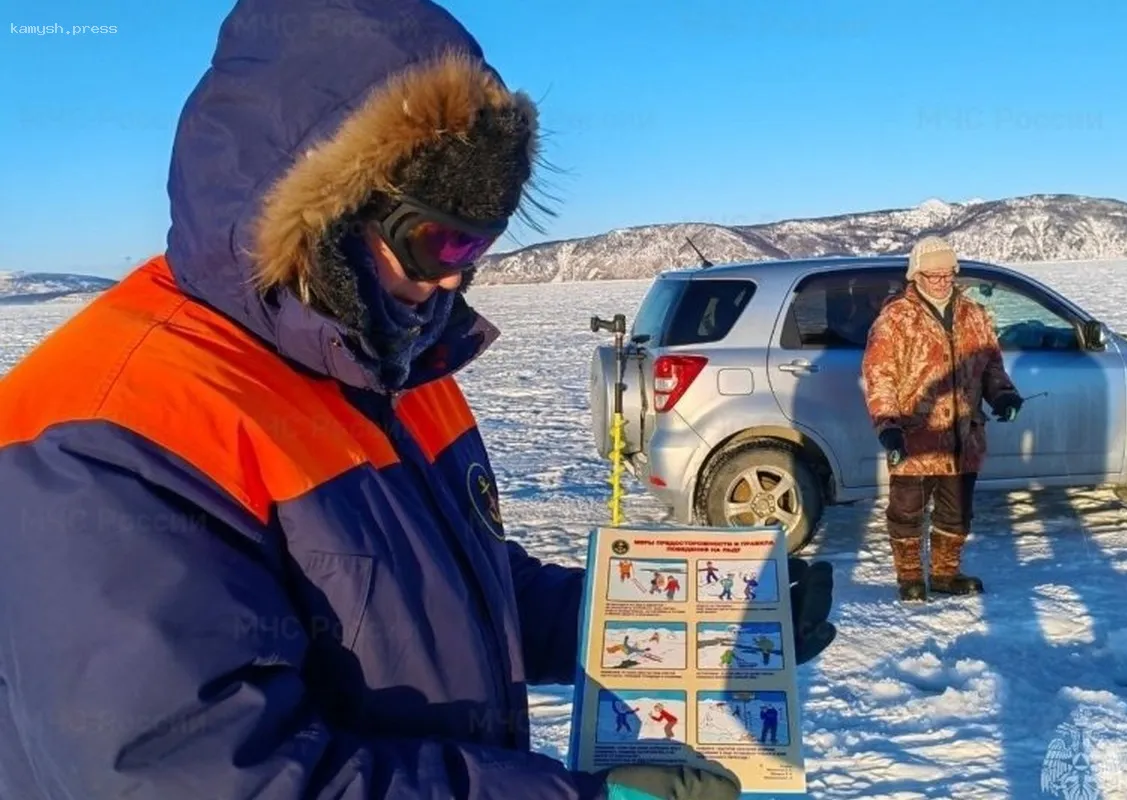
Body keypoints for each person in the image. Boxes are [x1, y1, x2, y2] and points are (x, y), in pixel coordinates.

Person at [0, 1, 834, 798]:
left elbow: (457, 591)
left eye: (482, 240)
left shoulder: (375, 356)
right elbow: (198, 776)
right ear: (320, 213)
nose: (456, 276)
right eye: (440, 236)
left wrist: (708, 619)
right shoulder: (104, 435)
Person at [862, 235, 1024, 602]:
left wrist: (1004, 395)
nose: (939, 281)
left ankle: (944, 573)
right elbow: (880, 375)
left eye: (946, 274)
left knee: (957, 512)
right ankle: (910, 577)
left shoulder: (974, 315)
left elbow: (991, 366)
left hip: (964, 434)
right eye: (931, 274)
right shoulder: (896, 319)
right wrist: (888, 427)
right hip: (914, 435)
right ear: (915, 274)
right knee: (907, 511)